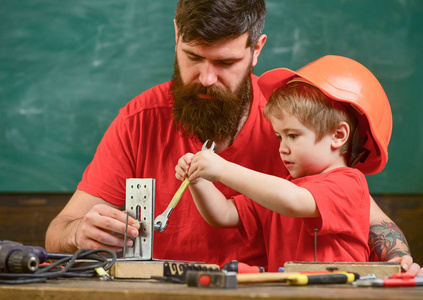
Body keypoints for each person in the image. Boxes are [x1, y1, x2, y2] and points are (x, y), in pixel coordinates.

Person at [45, 0, 421, 273]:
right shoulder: (138, 121)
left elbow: (369, 220)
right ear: (176, 35)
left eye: (225, 63)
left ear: (257, 50)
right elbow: (57, 234)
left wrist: (398, 261)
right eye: (193, 57)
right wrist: (80, 232)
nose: (206, 79)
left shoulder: (294, 124)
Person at [175, 55, 388, 271]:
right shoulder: (281, 189)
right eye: (279, 136)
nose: (282, 148)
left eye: (293, 136)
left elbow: (294, 201)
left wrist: (222, 169)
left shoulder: (349, 184)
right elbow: (223, 214)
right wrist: (198, 180)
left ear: (338, 135)